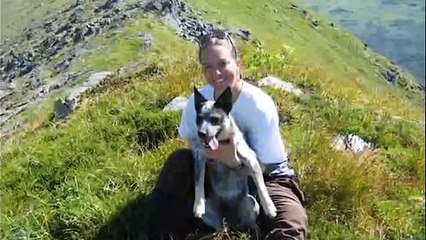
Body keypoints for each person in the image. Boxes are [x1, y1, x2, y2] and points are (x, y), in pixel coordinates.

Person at [145, 29, 308, 240]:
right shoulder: (198, 102)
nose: (216, 73)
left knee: (291, 227)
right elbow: (191, 144)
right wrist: (210, 163)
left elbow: (268, 166)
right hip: (215, 177)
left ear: (238, 64)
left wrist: (231, 161)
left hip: (266, 178)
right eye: (208, 67)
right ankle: (161, 232)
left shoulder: (259, 106)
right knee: (178, 161)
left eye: (223, 64)